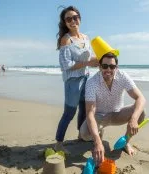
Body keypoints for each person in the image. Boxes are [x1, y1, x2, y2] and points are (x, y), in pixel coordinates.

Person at [79, 38, 147, 166]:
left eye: (112, 66)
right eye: (105, 66)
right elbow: (90, 113)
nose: (108, 69)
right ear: (99, 66)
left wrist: (133, 119)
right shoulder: (92, 83)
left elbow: (141, 98)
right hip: (99, 116)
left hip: (117, 114)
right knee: (84, 134)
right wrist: (98, 143)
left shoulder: (122, 76)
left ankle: (125, 142)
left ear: (116, 67)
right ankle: (98, 135)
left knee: (140, 113)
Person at [55, 6, 98, 153]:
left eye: (75, 17)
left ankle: (81, 135)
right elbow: (65, 66)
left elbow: (89, 58)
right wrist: (87, 63)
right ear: (65, 23)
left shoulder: (86, 37)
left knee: (84, 110)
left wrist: (100, 60)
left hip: (86, 78)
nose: (73, 21)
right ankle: (59, 144)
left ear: (79, 18)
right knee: (69, 113)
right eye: (68, 19)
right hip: (72, 82)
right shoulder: (65, 40)